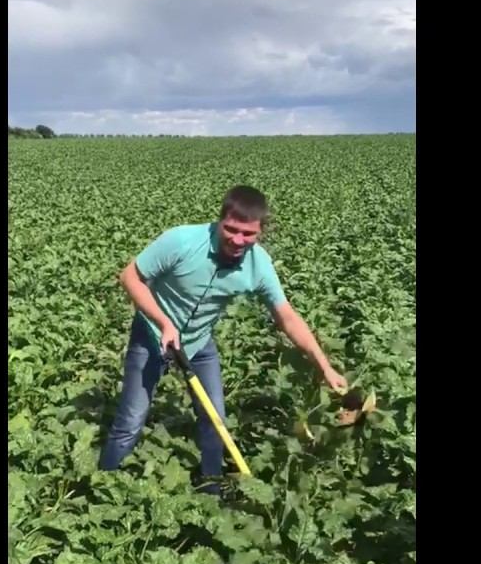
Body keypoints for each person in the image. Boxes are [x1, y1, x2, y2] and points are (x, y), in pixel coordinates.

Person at [99, 185, 348, 495]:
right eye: (231, 229)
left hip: (199, 341)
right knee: (131, 420)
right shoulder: (181, 241)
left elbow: (287, 317)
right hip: (152, 335)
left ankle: (211, 494)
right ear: (219, 221)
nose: (237, 240)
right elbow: (129, 277)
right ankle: (104, 485)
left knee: (215, 419)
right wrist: (164, 323)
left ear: (261, 231)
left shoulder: (259, 265)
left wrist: (324, 367)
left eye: (248, 233)